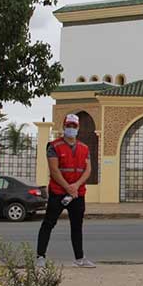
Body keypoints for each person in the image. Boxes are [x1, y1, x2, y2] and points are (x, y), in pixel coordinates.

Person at [36, 114, 95, 268]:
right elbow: (54, 170)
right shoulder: (53, 146)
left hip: (77, 193)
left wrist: (75, 186)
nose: (71, 129)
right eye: (68, 125)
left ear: (78, 128)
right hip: (58, 192)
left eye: (74, 126)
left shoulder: (84, 148)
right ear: (63, 127)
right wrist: (68, 187)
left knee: (77, 226)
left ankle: (79, 258)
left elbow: (88, 170)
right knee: (48, 224)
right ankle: (40, 257)